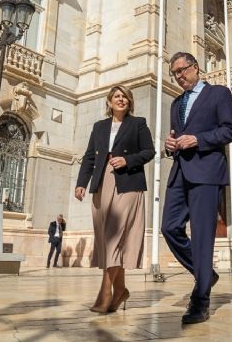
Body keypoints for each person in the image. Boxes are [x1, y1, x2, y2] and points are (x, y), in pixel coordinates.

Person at [161, 51, 232, 324]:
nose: (179, 76)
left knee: (203, 235)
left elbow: (231, 130)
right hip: (179, 172)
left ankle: (200, 300)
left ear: (195, 67)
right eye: (175, 73)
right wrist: (169, 146)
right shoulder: (175, 103)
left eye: (182, 70)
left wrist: (198, 139)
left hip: (206, 172)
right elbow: (175, 136)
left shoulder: (219, 93)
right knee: (169, 227)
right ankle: (205, 273)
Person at [75, 85, 154, 313]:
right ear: (109, 102)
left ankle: (105, 291)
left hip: (127, 182)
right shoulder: (99, 127)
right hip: (102, 182)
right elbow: (89, 156)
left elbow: (149, 151)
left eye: (125, 97)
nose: (121, 100)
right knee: (105, 234)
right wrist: (82, 182)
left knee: (114, 234)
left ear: (129, 102)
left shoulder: (138, 123)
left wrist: (127, 161)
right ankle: (120, 290)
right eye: (116, 96)